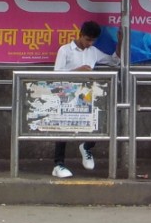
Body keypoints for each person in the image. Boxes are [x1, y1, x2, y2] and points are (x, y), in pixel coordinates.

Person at [51, 20, 120, 178]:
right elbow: (56, 74)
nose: (90, 43)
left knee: (98, 123)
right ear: (80, 35)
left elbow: (114, 61)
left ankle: (87, 146)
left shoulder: (93, 51)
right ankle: (58, 164)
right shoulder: (65, 50)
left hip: (87, 94)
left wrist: (120, 42)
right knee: (63, 130)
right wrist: (78, 71)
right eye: (88, 39)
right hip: (67, 94)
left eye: (93, 40)